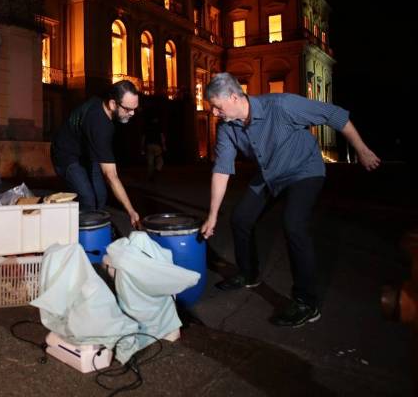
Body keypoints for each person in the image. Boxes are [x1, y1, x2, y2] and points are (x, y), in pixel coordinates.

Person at [199, 73, 380, 327]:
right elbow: (221, 169)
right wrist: (212, 215)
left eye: (217, 106)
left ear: (233, 97)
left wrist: (361, 150)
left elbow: (335, 114)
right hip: (269, 173)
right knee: (241, 218)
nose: (215, 112)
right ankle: (248, 274)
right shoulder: (227, 128)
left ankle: (307, 302)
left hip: (302, 170)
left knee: (294, 224)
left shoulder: (281, 105)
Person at [51, 80, 141, 228]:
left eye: (134, 108)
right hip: (65, 155)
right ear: (113, 104)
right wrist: (130, 211)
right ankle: (79, 237)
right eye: (128, 109)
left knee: (100, 196)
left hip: (87, 152)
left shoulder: (103, 100)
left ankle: (97, 230)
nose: (132, 113)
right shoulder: (99, 125)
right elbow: (111, 176)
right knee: (88, 199)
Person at [141, 115, 166, 181]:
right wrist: (164, 146)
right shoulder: (159, 127)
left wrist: (142, 148)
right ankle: (156, 172)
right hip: (157, 146)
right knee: (160, 161)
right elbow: (162, 137)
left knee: (150, 162)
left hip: (149, 146)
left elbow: (143, 138)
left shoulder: (147, 127)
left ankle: (149, 176)